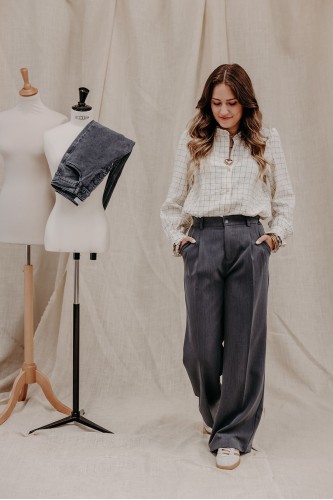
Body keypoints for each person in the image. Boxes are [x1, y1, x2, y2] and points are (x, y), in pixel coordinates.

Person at [160, 63, 295, 470]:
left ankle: (233, 434)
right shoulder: (193, 139)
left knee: (243, 344)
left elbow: (285, 199)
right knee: (200, 347)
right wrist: (180, 241)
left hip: (249, 240)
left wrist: (272, 239)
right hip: (202, 240)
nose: (223, 111)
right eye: (217, 103)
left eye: (231, 103)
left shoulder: (267, 140)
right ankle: (220, 414)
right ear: (208, 103)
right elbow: (172, 202)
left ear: (245, 102)